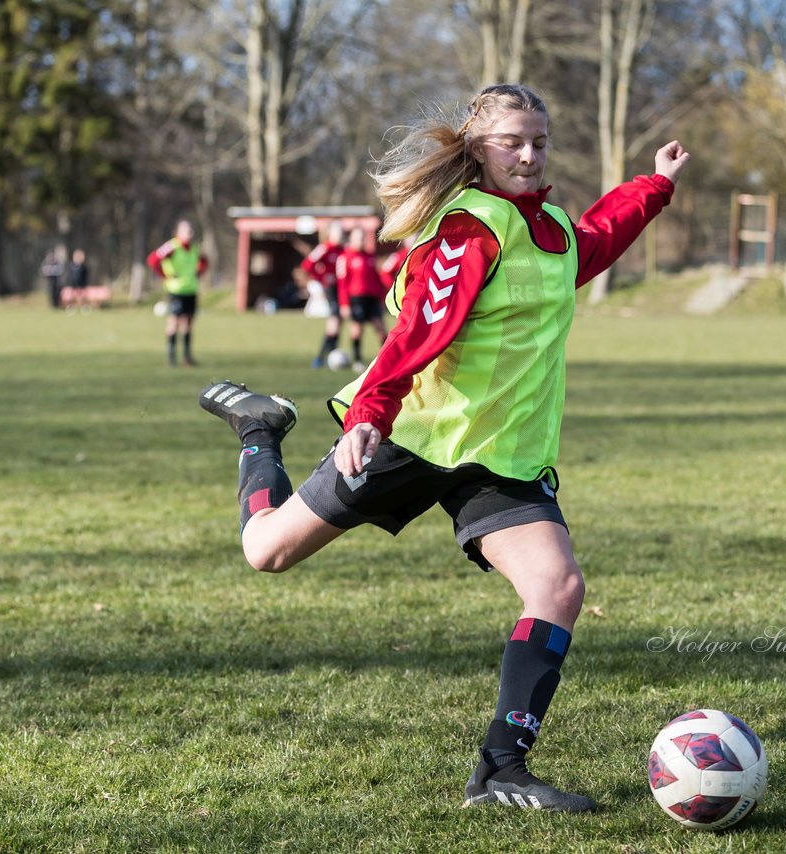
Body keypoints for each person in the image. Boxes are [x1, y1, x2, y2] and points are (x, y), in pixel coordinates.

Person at [198, 83, 689, 812]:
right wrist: (370, 411)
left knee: (558, 588)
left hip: (500, 458)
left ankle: (499, 771)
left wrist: (653, 186)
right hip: (413, 436)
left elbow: (587, 248)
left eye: (540, 141)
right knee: (265, 550)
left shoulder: (547, 224)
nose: (528, 154)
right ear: (477, 148)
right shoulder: (468, 232)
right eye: (511, 142)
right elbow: (419, 331)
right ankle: (260, 432)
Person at [147, 220, 207, 366]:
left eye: (191, 229)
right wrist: (164, 275)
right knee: (174, 322)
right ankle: (172, 358)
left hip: (190, 290)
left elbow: (204, 261)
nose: (190, 232)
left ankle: (187, 357)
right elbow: (153, 259)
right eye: (186, 230)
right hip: (176, 290)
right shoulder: (171, 246)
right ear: (178, 232)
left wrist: (198, 273)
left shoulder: (193, 248)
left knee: (188, 323)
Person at [334, 226, 389, 371]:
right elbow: (342, 283)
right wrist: (344, 304)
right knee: (357, 329)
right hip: (356, 298)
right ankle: (357, 360)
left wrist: (381, 297)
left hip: (372, 298)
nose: (362, 240)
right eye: (359, 237)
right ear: (352, 239)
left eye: (364, 238)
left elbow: (377, 279)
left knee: (381, 329)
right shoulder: (345, 257)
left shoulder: (370, 256)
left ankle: (388, 360)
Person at [301, 222, 346, 368]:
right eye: (338, 231)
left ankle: (331, 353)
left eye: (342, 231)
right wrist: (322, 278)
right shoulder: (325, 248)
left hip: (342, 289)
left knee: (339, 320)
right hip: (331, 288)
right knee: (334, 320)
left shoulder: (343, 250)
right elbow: (307, 264)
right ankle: (320, 357)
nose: (341, 234)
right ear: (330, 233)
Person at [66, 248, 90, 314]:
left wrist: (84, 284)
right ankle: (71, 308)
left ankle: (84, 308)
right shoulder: (71, 266)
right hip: (73, 284)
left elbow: (85, 276)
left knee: (82, 297)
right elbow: (69, 275)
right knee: (72, 297)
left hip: (81, 284)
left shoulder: (83, 266)